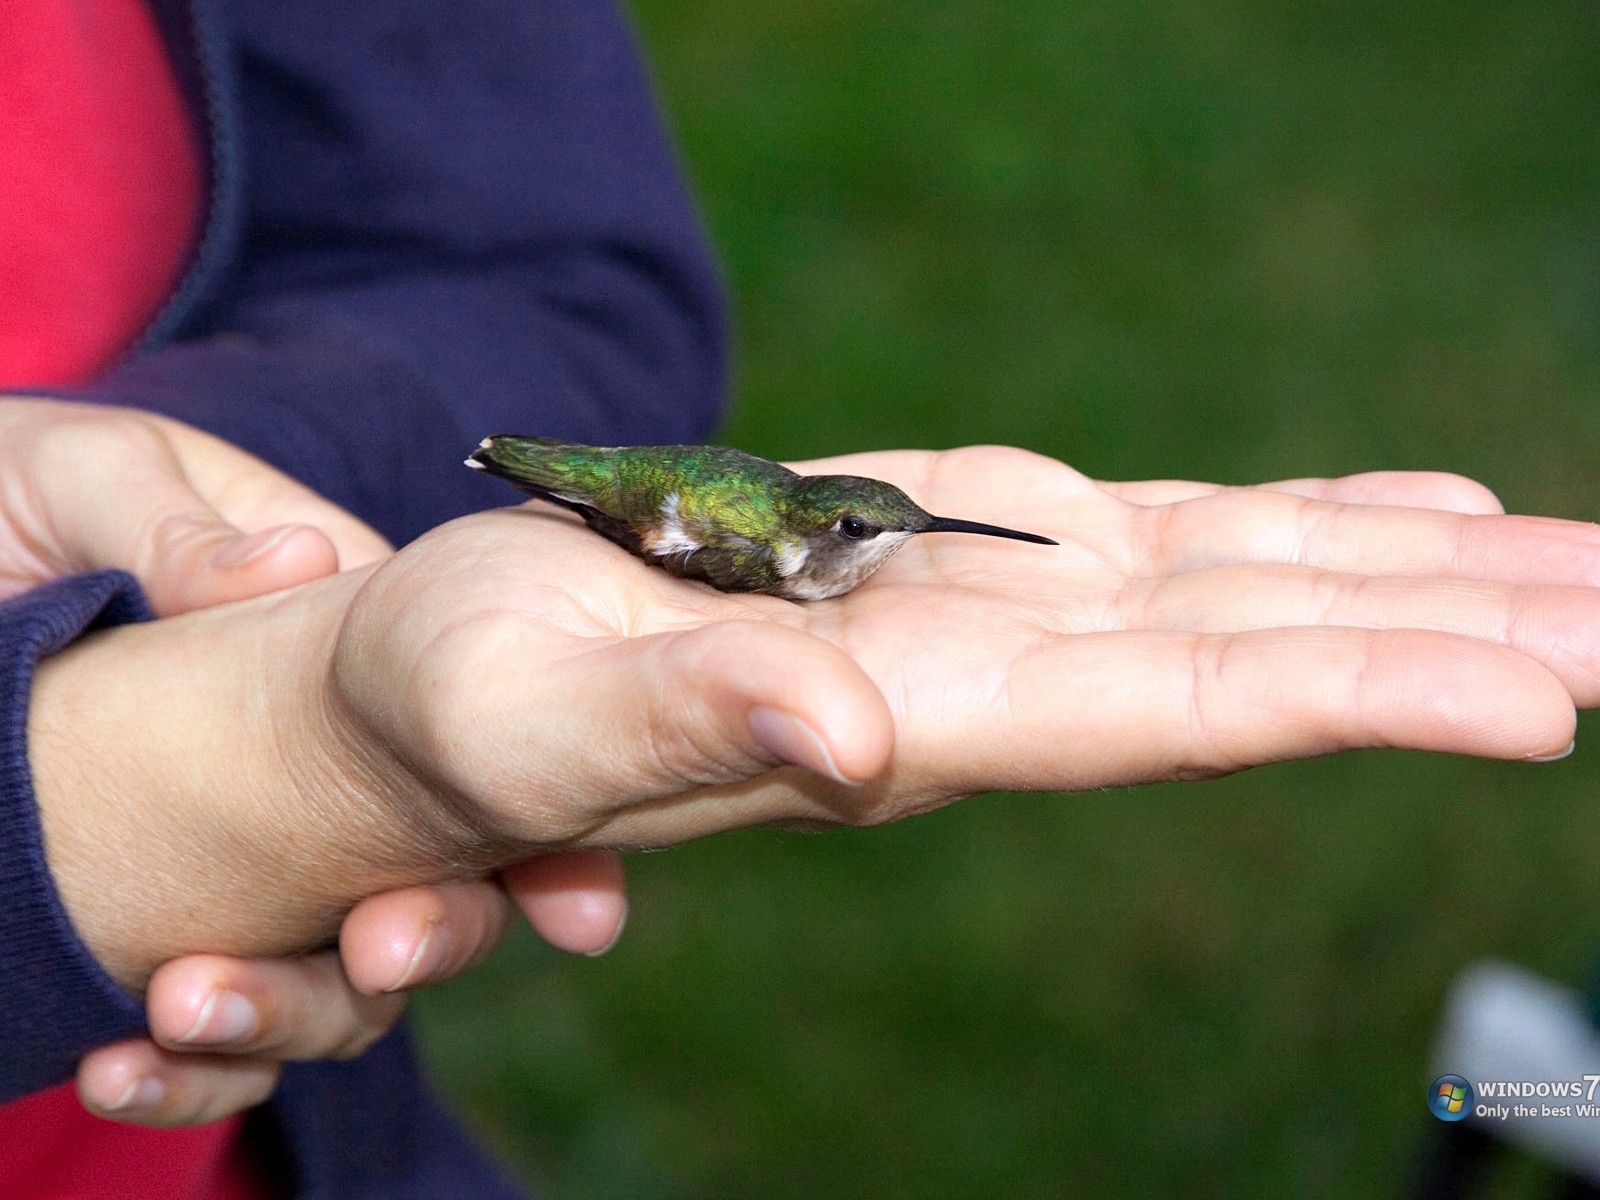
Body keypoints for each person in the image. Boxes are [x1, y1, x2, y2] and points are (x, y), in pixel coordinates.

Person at [8, 3, 1600, 1199]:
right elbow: (665, 521)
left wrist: (222, 484)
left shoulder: (808, 531)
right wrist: (244, 754)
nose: (876, 544)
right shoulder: (745, 543)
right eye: (861, 533)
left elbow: (547, 261)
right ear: (805, 539)